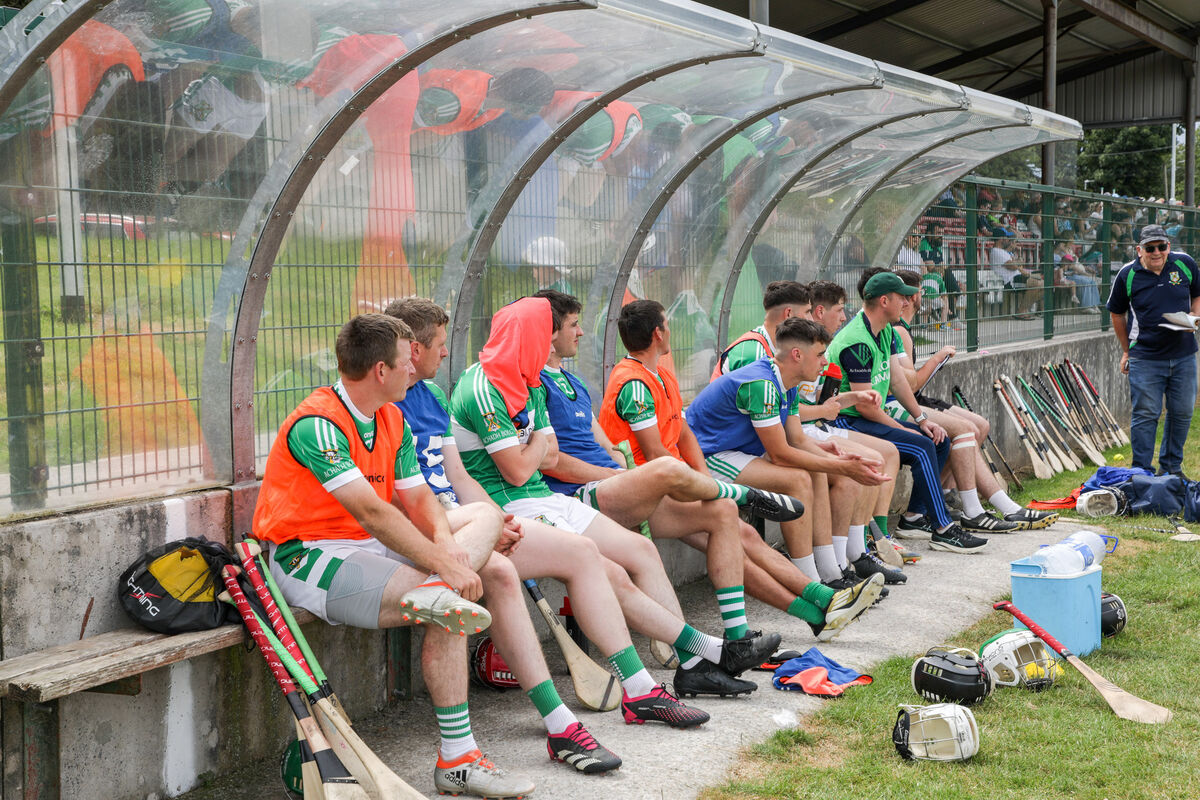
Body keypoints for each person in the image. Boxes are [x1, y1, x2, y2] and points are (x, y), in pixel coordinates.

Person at [251, 314, 536, 798]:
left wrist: (446, 547)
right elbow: (371, 512)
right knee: (450, 606)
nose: (416, 370)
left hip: (373, 548)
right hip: (311, 555)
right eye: (408, 362)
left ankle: (457, 756)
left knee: (484, 519)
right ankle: (459, 759)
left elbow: (420, 500)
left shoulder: (391, 416)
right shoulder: (317, 424)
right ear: (381, 370)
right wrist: (447, 566)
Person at [447, 297, 780, 699]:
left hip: (547, 499)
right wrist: (537, 443)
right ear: (529, 336)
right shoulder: (483, 385)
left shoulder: (530, 379)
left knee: (640, 549)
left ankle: (692, 667)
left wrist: (534, 445)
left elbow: (546, 452)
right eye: (549, 331)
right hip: (514, 506)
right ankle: (691, 660)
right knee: (612, 571)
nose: (558, 337)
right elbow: (519, 470)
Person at [532, 290, 879, 643]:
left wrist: (698, 479)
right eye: (574, 324)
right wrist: (629, 473)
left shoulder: (649, 376)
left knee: (734, 529)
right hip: (634, 488)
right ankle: (748, 509)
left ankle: (820, 605)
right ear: (658, 333)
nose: (581, 332)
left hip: (655, 482)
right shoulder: (629, 382)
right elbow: (651, 456)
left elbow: (677, 434)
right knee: (728, 516)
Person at [600, 300, 896, 590]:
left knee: (819, 473)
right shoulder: (762, 384)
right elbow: (782, 454)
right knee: (798, 479)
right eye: (820, 354)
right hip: (713, 454)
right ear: (797, 354)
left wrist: (839, 463)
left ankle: (835, 569)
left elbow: (797, 440)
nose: (825, 362)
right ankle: (810, 580)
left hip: (722, 456)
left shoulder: (785, 380)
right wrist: (843, 465)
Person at [727, 280, 908, 582]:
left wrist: (841, 458)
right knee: (813, 475)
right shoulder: (755, 352)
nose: (812, 317)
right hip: (740, 447)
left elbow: (792, 425)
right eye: (808, 311)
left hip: (771, 438)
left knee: (861, 464)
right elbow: (778, 437)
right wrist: (838, 461)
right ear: (789, 314)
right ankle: (812, 578)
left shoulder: (788, 357)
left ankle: (844, 563)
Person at [824, 272, 989, 554]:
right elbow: (864, 405)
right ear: (884, 300)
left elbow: (899, 382)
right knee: (923, 445)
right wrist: (904, 429)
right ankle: (943, 529)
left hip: (867, 415)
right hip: (846, 419)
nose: (908, 301)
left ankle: (914, 515)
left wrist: (922, 420)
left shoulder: (885, 330)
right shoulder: (857, 341)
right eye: (902, 296)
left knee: (938, 440)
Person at [890, 271, 1058, 533]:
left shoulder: (900, 330)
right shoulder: (899, 332)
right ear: (913, 296)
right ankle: (981, 509)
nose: (921, 295)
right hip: (904, 403)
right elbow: (910, 386)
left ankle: (946, 495)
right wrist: (938, 358)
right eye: (921, 291)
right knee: (966, 430)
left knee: (979, 425)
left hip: (913, 399)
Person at [1107, 224, 1200, 478]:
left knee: (1181, 412)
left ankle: (1171, 468)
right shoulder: (1128, 275)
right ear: (1140, 250)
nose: (1157, 252)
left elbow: (1197, 295)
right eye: (1150, 248)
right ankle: (1142, 472)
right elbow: (1117, 312)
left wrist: (1194, 316)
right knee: (1146, 414)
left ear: (1169, 246)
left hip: (1184, 355)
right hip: (1145, 357)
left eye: (1162, 246)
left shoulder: (1185, 264)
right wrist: (1127, 351)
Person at [989, 234, 1043, 320]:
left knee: (1043, 284)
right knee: (1037, 284)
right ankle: (1021, 312)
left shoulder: (1004, 252)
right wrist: (1018, 262)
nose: (1009, 241)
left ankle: (1023, 310)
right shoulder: (996, 251)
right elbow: (1012, 266)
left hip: (1017, 276)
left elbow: (1018, 264)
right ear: (1001, 239)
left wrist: (1018, 259)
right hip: (1010, 281)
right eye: (1007, 238)